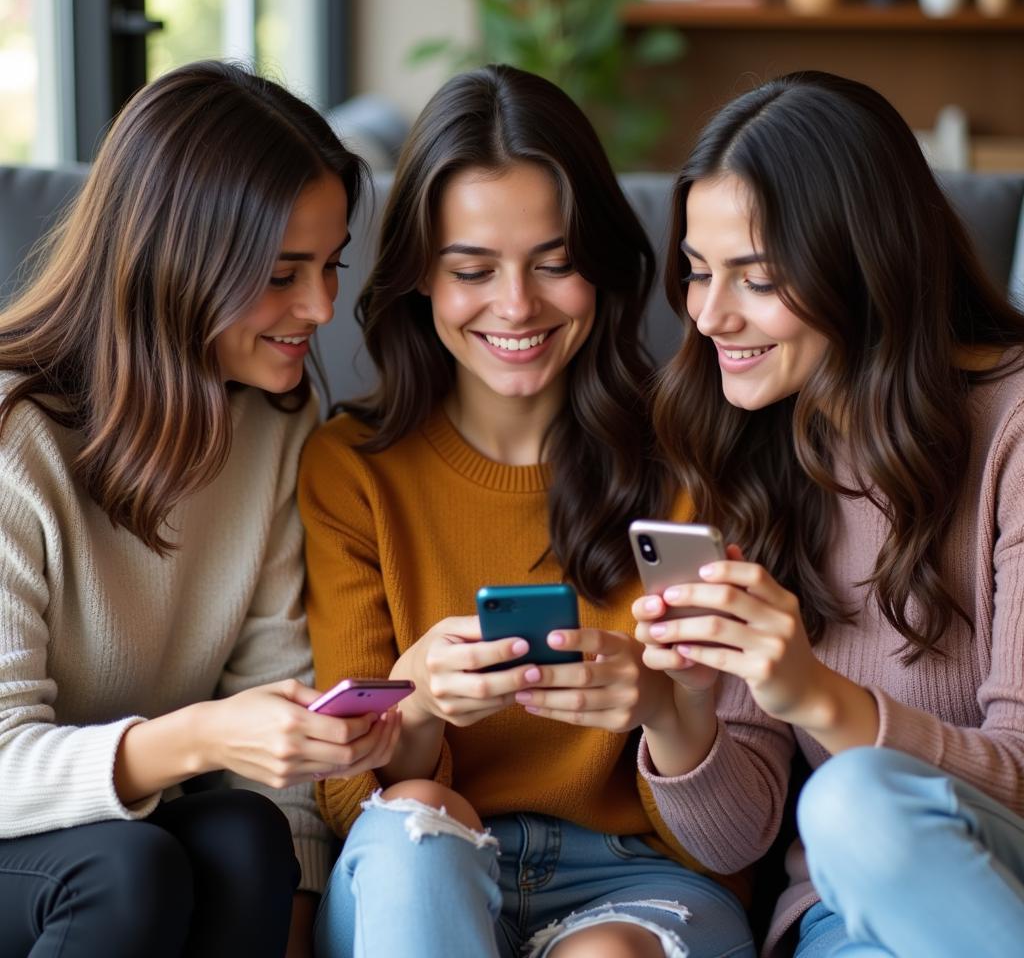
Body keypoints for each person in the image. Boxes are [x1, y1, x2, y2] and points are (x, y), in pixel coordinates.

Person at [298, 64, 783, 958]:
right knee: (414, 826)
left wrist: (660, 708)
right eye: (472, 270)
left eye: (554, 265)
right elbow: (342, 795)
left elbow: (744, 832)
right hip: (429, 851)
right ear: (419, 280)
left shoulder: (698, 461)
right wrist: (419, 702)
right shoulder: (350, 470)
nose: (516, 306)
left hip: (639, 878)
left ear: (601, 267)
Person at [0, 60, 402, 958]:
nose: (321, 306)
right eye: (281, 273)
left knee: (245, 839)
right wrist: (194, 737)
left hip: (122, 842)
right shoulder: (14, 435)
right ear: (178, 258)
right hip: (38, 839)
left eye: (330, 266)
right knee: (127, 868)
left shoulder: (276, 424)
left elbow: (277, 731)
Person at [631, 69, 1024, 958]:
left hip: (999, 885)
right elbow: (734, 840)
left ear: (865, 263)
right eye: (697, 273)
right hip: (846, 922)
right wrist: (679, 711)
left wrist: (818, 695)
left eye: (756, 279)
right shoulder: (755, 445)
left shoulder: (1012, 432)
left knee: (852, 802)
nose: (709, 316)